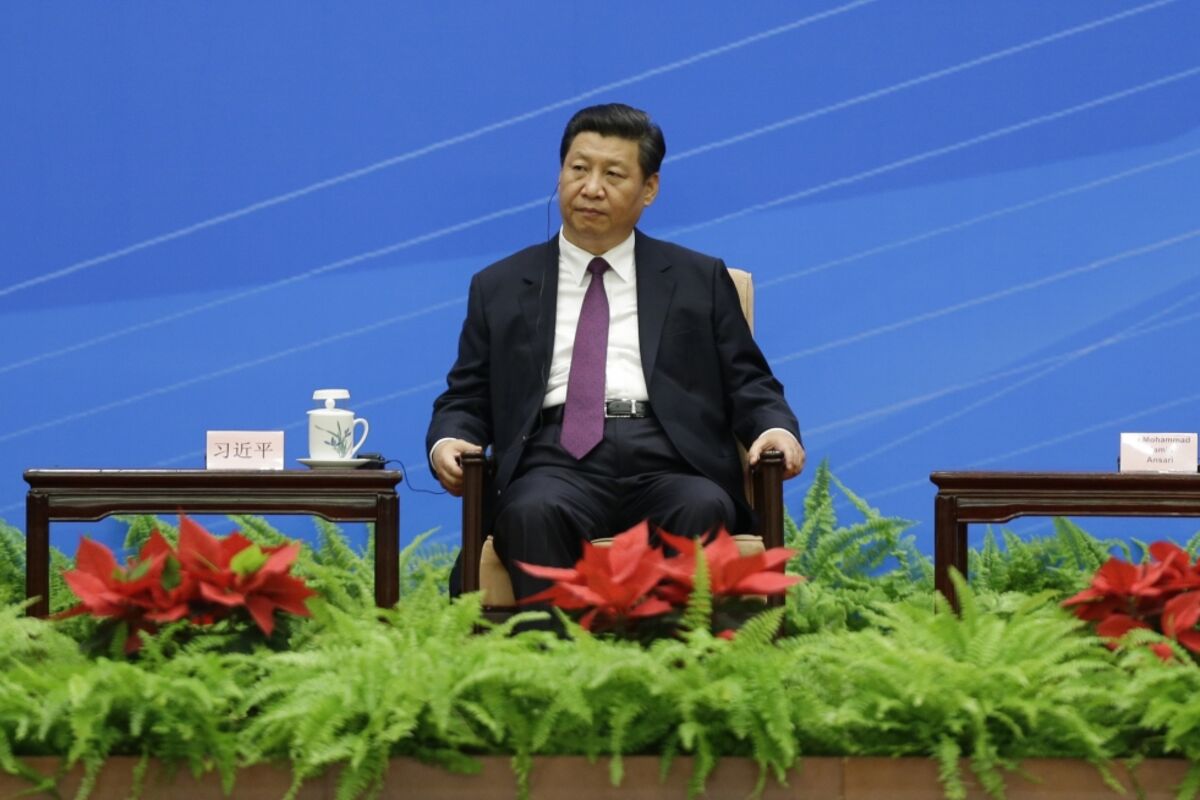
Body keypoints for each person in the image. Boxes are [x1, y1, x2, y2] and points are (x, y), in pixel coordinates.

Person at [427, 103, 805, 600]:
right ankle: (554, 650)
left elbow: (749, 382)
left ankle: (672, 650)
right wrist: (450, 439)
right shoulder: (499, 285)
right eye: (578, 169)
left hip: (670, 458)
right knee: (530, 512)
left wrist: (775, 430)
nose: (591, 188)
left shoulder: (698, 279)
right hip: (552, 461)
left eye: (613, 174)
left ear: (649, 188)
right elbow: (466, 395)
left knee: (700, 506)